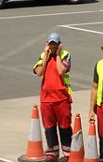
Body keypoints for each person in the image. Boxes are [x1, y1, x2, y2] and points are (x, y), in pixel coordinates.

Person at [33, 32, 72, 161]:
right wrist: (46, 56)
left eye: (55, 44)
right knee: (49, 127)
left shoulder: (66, 55)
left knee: (64, 127)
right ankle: (52, 154)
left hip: (61, 98)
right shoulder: (43, 56)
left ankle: (67, 154)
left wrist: (58, 55)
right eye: (51, 44)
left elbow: (61, 70)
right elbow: (39, 72)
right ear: (47, 44)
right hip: (46, 99)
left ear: (59, 44)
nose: (53, 46)